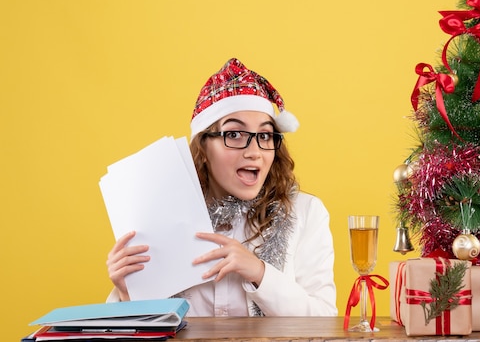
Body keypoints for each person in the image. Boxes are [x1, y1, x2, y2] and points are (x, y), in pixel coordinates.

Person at [106, 58, 337, 317]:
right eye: (234, 134)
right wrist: (128, 294)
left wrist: (259, 272)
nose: (255, 152)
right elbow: (135, 328)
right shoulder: (159, 215)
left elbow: (324, 320)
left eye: (264, 135)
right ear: (204, 146)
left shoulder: (307, 213)